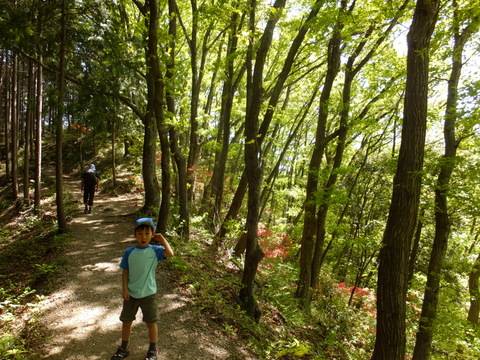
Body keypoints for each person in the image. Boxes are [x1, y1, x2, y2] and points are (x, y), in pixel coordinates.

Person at [111, 218, 174, 360]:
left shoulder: (155, 251)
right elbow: (125, 271)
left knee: (151, 323)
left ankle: (152, 350)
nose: (143, 237)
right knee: (126, 321)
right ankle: (124, 347)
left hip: (148, 294)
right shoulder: (129, 252)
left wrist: (162, 239)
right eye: (139, 233)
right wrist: (125, 290)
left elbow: (170, 254)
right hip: (131, 294)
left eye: (147, 233)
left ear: (152, 234)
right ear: (135, 235)